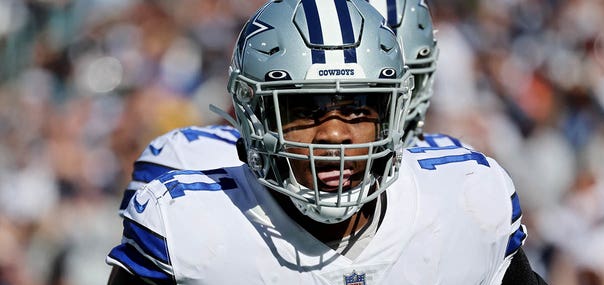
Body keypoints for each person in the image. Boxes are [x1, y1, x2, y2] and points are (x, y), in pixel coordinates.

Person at [85, 0, 568, 285]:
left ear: (391, 112)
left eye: (357, 109)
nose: (334, 134)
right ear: (255, 116)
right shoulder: (194, 226)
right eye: (304, 109)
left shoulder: (462, 204)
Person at [114, 0, 440, 221]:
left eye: (365, 102)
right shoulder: (188, 177)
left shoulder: (456, 190)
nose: (336, 134)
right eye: (305, 107)